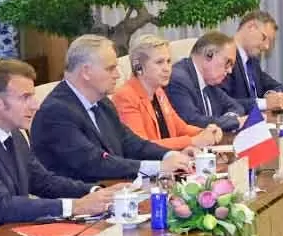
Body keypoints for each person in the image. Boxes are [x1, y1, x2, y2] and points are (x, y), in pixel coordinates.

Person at [0, 61, 116, 233]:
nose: (36, 105)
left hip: (9, 234)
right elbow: (3, 206)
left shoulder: (15, 134)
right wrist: (76, 206)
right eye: (25, 97)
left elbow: (43, 182)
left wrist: (97, 192)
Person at [31, 34, 198, 187]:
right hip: (80, 204)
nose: (118, 75)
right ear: (86, 72)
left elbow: (131, 142)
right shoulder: (56, 112)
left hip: (113, 192)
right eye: (110, 68)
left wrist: (169, 155)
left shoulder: (102, 102)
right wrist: (158, 166)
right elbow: (93, 162)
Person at [110, 33, 225, 153]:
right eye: (159, 62)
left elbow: (181, 128)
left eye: (168, 61)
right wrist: (193, 141)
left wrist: (205, 132)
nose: (167, 68)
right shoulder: (125, 96)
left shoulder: (159, 92)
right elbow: (142, 146)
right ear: (138, 66)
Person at [168, 31, 253, 135]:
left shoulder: (210, 81)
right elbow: (193, 121)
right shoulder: (178, 79)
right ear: (209, 55)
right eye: (228, 62)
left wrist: (228, 118)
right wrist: (234, 122)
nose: (230, 70)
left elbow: (236, 106)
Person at [233, 10, 283, 117]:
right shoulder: (224, 58)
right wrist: (265, 103)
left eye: (270, 42)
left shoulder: (252, 61)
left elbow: (276, 86)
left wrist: (273, 96)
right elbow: (222, 104)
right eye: (264, 38)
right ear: (251, 27)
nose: (266, 46)